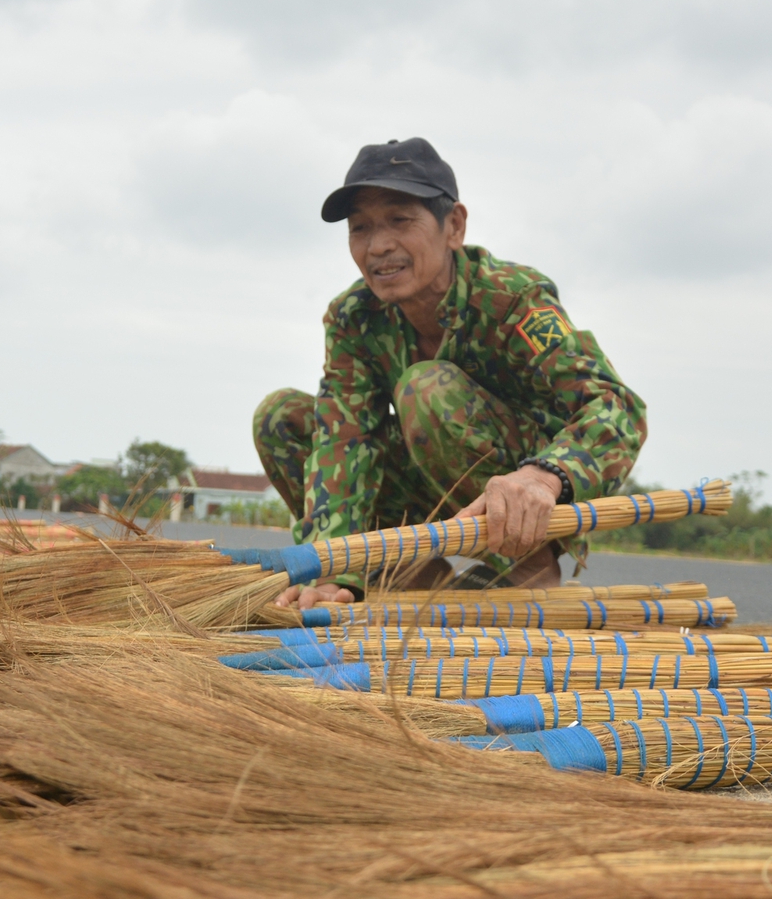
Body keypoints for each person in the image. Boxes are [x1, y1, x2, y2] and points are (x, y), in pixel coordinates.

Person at [254, 137, 647, 610]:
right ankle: (404, 569)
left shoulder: (512, 299)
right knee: (282, 417)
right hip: (425, 492)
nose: (378, 246)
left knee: (425, 389)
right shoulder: (354, 318)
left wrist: (541, 479)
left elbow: (616, 408)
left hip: (526, 496)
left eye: (400, 220)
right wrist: (331, 566)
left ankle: (526, 565)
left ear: (454, 226)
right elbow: (345, 440)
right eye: (360, 228)